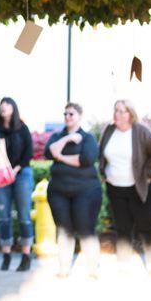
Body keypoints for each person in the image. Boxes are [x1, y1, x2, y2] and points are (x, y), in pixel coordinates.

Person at [98, 99, 151, 273]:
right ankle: (124, 266)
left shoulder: (141, 131)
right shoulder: (109, 130)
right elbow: (101, 153)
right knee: (122, 229)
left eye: (121, 111)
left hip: (141, 189)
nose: (116, 114)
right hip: (116, 188)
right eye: (115, 110)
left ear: (130, 114)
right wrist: (103, 173)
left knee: (146, 228)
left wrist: (149, 175)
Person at [44, 103, 102, 278]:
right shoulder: (57, 136)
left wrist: (60, 157)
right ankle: (63, 269)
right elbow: (49, 152)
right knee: (63, 229)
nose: (68, 117)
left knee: (86, 228)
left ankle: (92, 269)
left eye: (72, 114)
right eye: (65, 114)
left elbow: (85, 160)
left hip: (86, 191)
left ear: (79, 116)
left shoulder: (88, 138)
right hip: (59, 191)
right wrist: (68, 139)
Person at [0, 97, 34, 272]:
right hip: (1, 176)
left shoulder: (22, 128)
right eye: (2, 105)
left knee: (24, 215)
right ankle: (6, 255)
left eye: (8, 104)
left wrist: (15, 169)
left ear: (13, 108)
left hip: (21, 173)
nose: (4, 107)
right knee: (3, 216)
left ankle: (26, 255)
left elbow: (29, 152)